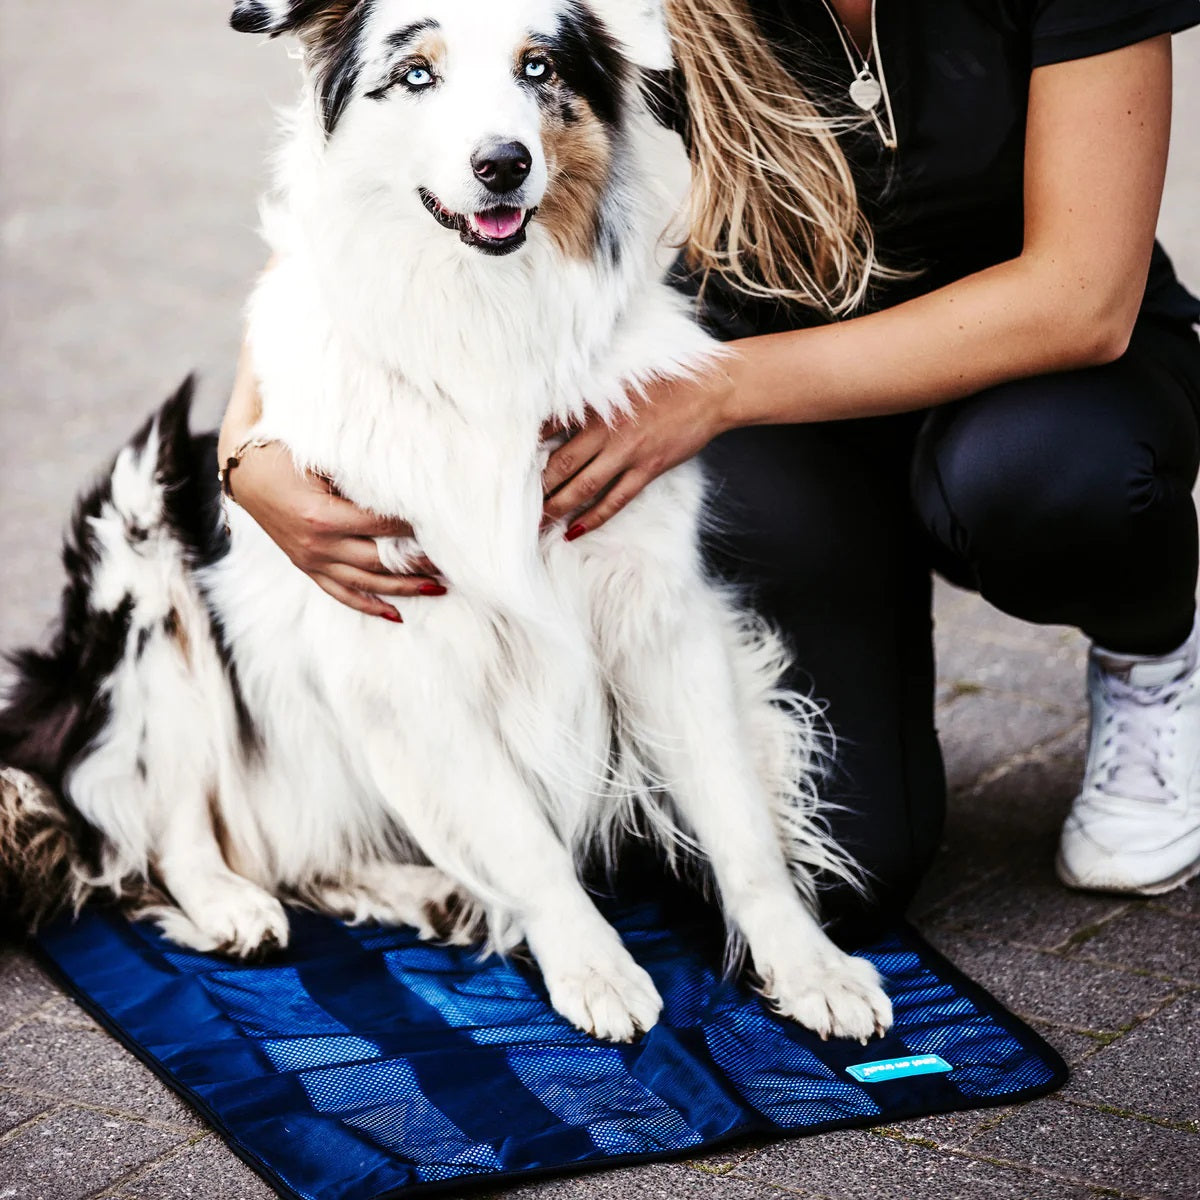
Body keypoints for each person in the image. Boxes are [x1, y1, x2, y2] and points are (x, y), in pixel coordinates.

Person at [220, 0, 1200, 928]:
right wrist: (242, 448)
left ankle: (1153, 657)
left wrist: (717, 390)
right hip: (781, 375)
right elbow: (353, 155)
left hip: (1032, 371)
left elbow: (1081, 296)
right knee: (840, 877)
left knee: (1046, 480)